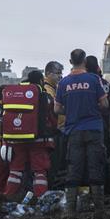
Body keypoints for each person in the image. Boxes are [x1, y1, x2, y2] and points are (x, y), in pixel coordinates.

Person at [55, 49, 108, 215]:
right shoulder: (93, 79)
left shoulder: (63, 83)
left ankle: (70, 211)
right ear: (85, 61)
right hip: (94, 129)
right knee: (95, 167)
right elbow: (105, 105)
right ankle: (99, 210)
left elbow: (56, 109)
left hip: (73, 130)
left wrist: (71, 111)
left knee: (74, 168)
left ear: (70, 62)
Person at [2, 70, 56, 203]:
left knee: (15, 171)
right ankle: (40, 199)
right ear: (41, 81)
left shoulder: (17, 95)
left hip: (17, 139)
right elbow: (51, 117)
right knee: (39, 172)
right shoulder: (45, 96)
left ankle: (8, 197)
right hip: (38, 140)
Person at [85, 55, 110, 193]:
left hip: (84, 125)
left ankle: (88, 190)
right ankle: (106, 189)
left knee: (85, 159)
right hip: (102, 126)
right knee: (103, 158)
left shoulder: (81, 83)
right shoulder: (105, 84)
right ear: (98, 67)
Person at [43, 61, 66, 189]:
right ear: (48, 74)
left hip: (58, 128)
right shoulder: (47, 90)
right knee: (54, 163)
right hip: (54, 131)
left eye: (60, 73)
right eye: (57, 73)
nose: (60, 76)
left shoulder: (54, 88)